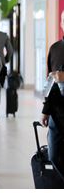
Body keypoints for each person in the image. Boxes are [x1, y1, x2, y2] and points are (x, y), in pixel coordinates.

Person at [41, 37, 64, 181]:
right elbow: (50, 82)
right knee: (54, 155)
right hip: (57, 113)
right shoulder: (55, 48)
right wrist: (45, 110)